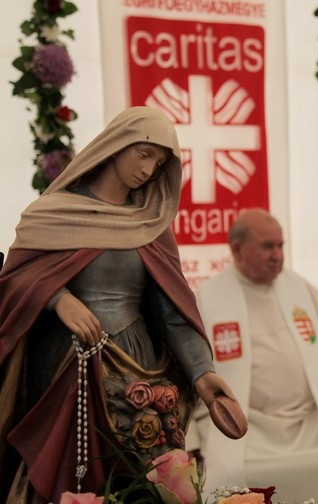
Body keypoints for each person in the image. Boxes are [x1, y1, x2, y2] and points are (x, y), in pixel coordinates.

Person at [0, 107, 246, 503]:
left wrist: (202, 373)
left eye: (159, 163)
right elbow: (15, 278)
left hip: (137, 363)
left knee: (138, 479)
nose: (148, 170)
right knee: (72, 475)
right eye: (144, 154)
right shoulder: (53, 213)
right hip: (70, 365)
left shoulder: (149, 224)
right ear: (116, 145)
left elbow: (171, 311)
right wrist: (59, 299)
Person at [191, 209, 318, 502]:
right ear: (237, 249)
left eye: (281, 245)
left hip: (313, 423)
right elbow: (190, 375)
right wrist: (193, 441)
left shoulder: (303, 291)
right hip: (248, 429)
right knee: (227, 475)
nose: (277, 255)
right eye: (267, 246)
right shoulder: (207, 299)